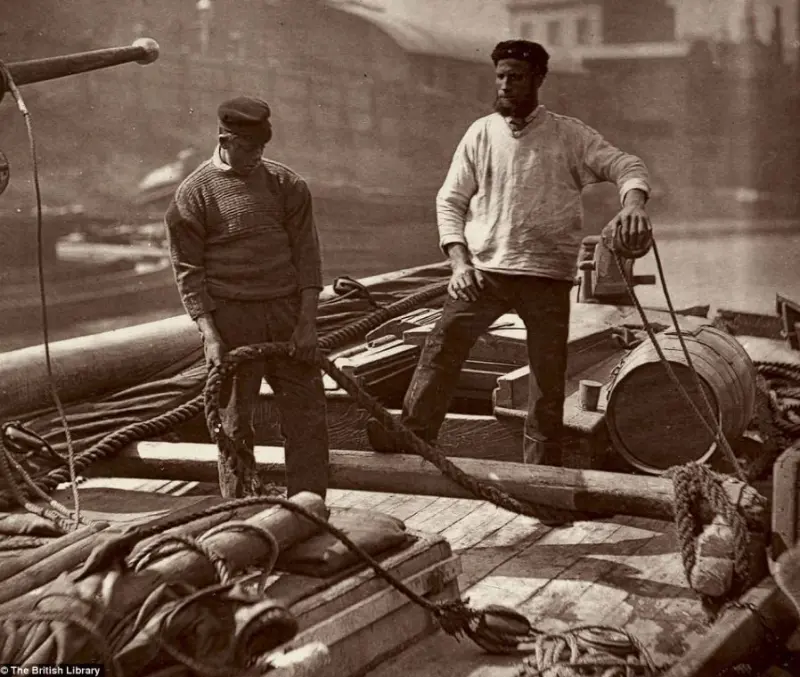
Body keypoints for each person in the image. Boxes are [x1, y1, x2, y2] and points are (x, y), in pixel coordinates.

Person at [368, 40, 653, 465]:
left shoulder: (570, 135)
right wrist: (459, 261)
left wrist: (632, 206)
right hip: (484, 272)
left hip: (548, 278)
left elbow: (627, 165)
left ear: (538, 79)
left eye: (515, 77)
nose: (505, 85)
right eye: (500, 76)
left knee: (547, 377)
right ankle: (414, 437)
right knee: (442, 346)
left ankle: (541, 473)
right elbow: (450, 200)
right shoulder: (480, 133)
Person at [165, 96, 329, 499]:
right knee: (234, 424)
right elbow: (188, 273)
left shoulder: (287, 185)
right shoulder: (193, 194)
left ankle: (310, 508)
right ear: (225, 139)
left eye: (262, 148)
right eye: (249, 148)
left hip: (286, 312)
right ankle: (240, 513)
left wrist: (307, 323)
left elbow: (308, 259)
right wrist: (211, 336)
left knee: (307, 417)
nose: (257, 156)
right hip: (232, 319)